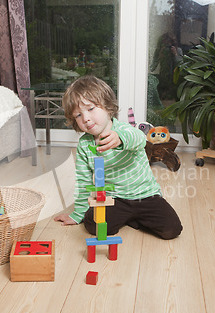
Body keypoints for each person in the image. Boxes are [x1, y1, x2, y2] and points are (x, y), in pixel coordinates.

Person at [54, 75, 182, 240]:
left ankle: (135, 218)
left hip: (146, 195)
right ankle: (129, 217)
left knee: (172, 230)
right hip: (114, 199)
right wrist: (77, 214)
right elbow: (84, 181)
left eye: (91, 109)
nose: (85, 118)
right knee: (92, 224)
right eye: (78, 115)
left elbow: (139, 139)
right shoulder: (85, 145)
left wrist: (120, 138)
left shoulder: (124, 130)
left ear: (107, 107)